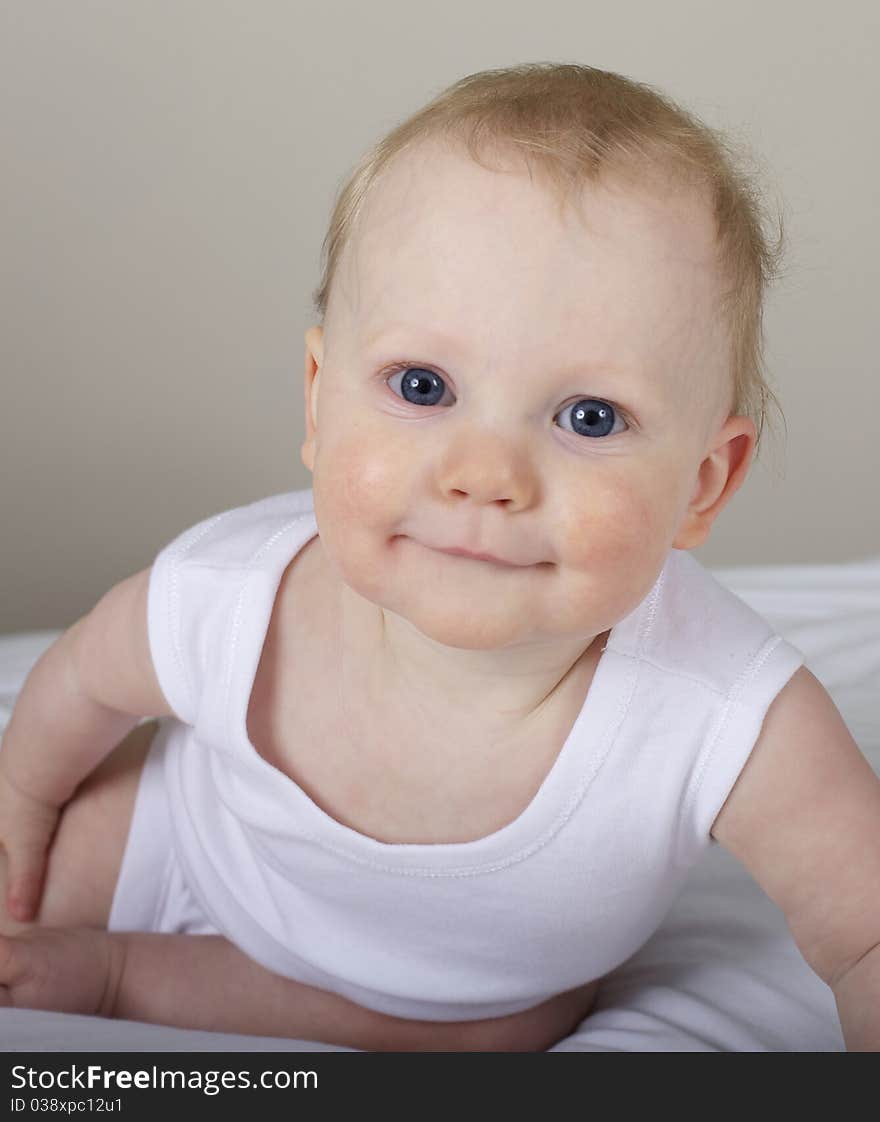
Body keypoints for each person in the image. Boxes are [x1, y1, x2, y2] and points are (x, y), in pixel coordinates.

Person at [1, 63, 878, 1052]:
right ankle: (92, 949)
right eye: (422, 386)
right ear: (318, 400)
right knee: (42, 890)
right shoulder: (229, 597)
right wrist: (21, 802)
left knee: (502, 1038)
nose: (484, 472)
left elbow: (866, 932)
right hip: (189, 848)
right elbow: (79, 682)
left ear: (704, 486)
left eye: (589, 417)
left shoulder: (722, 712)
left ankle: (125, 980)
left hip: (460, 1001)